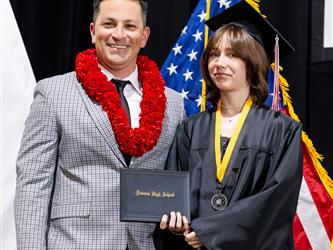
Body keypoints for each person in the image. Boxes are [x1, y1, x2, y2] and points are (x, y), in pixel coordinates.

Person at [14, 0, 185, 249]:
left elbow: (175, 181)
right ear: (93, 31)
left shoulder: (173, 103)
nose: (119, 34)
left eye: (130, 26)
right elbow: (33, 184)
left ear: (144, 36)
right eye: (109, 24)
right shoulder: (53, 93)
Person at [158, 1, 303, 249]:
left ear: (253, 61)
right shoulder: (190, 129)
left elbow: (275, 203)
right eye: (214, 54)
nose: (219, 62)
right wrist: (173, 219)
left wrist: (212, 232)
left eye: (232, 54)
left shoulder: (282, 130)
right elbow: (173, 191)